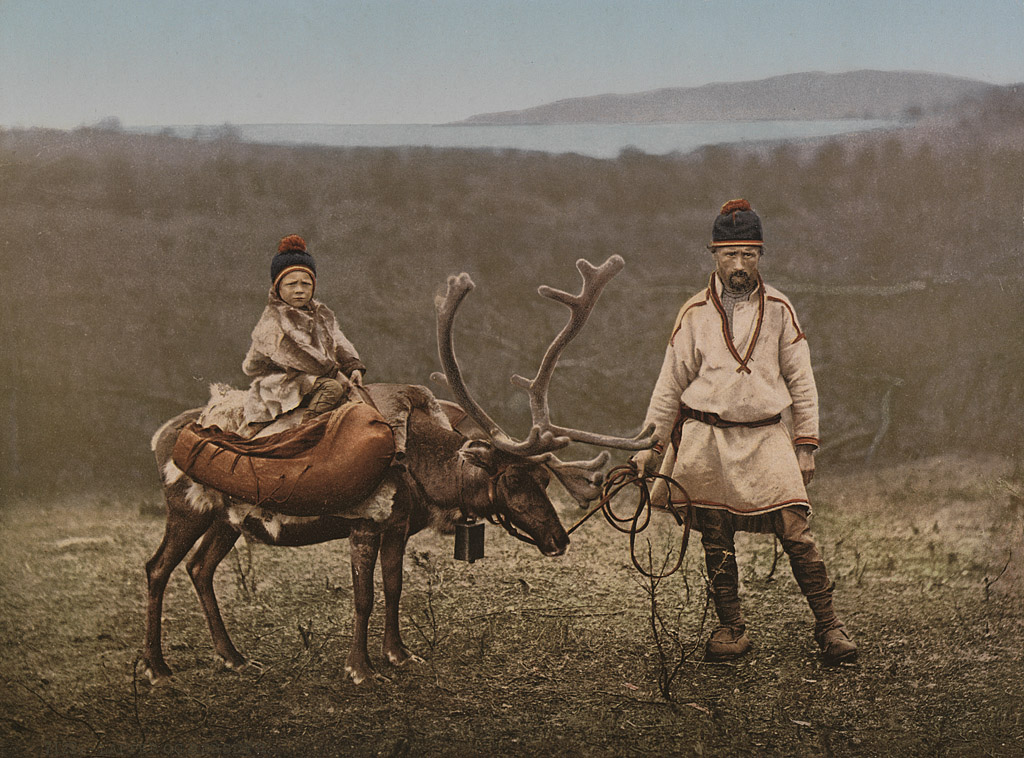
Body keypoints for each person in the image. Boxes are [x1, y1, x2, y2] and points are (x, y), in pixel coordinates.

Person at [631, 199, 857, 664]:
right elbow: (669, 384)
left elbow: (802, 380)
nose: (739, 265)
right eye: (730, 254)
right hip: (706, 440)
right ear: (713, 254)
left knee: (796, 531)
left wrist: (806, 444)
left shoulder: (779, 308)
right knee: (716, 536)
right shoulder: (693, 312)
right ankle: (731, 628)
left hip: (766, 435)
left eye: (749, 255)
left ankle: (829, 626)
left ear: (760, 256)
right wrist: (648, 447)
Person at [241, 234, 366, 430]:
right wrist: (335, 373)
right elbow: (297, 355)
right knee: (333, 389)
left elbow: (338, 339)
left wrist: (352, 365)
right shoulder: (272, 322)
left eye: (305, 284)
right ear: (278, 288)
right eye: (291, 284)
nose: (299, 290)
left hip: (315, 375)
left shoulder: (321, 313)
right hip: (283, 379)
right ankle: (304, 430)